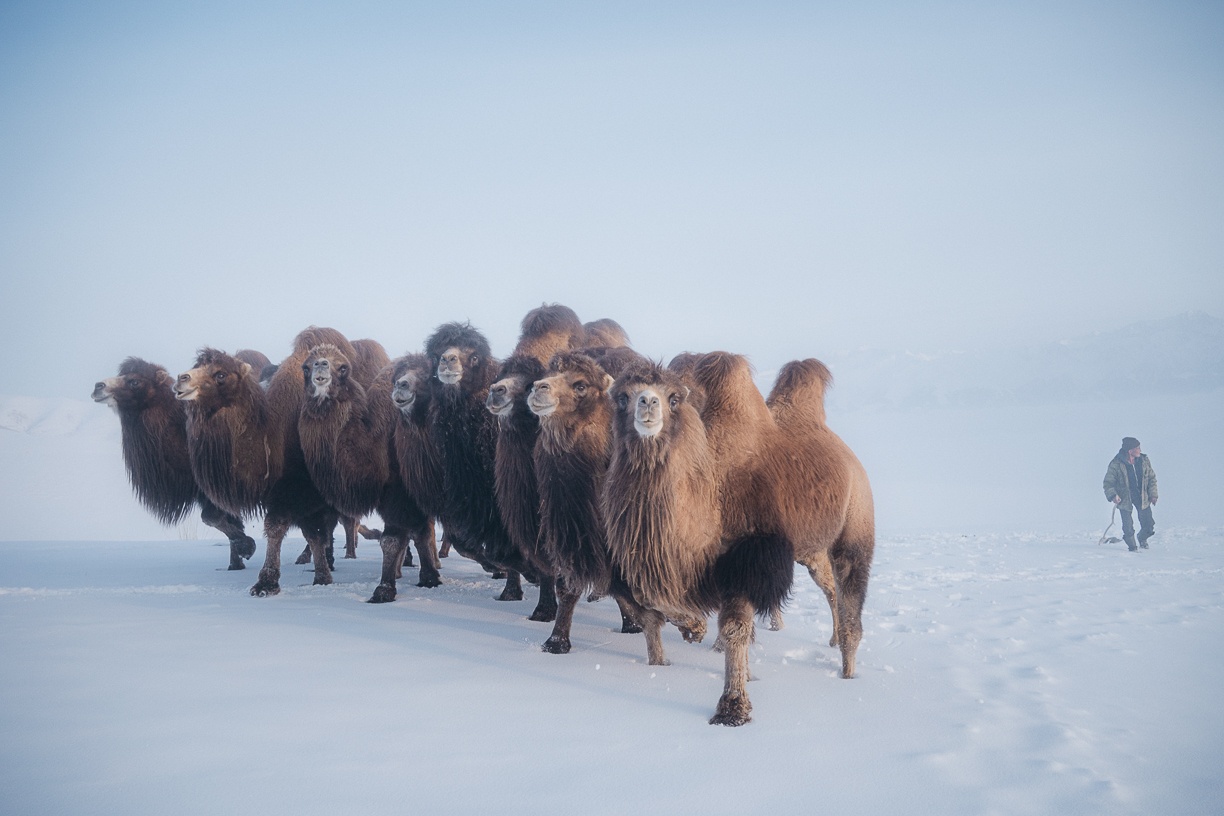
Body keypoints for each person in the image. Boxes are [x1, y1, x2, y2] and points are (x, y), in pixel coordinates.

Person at [1102, 436, 1158, 551]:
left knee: (1148, 525)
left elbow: (1152, 478)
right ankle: (1132, 548)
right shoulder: (1116, 463)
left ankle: (1142, 538)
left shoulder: (1144, 460)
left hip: (1142, 497)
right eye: (1137, 448)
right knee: (1128, 528)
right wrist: (1113, 495)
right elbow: (1108, 483)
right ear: (1130, 450)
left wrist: (1153, 494)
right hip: (1124, 498)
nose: (1140, 450)